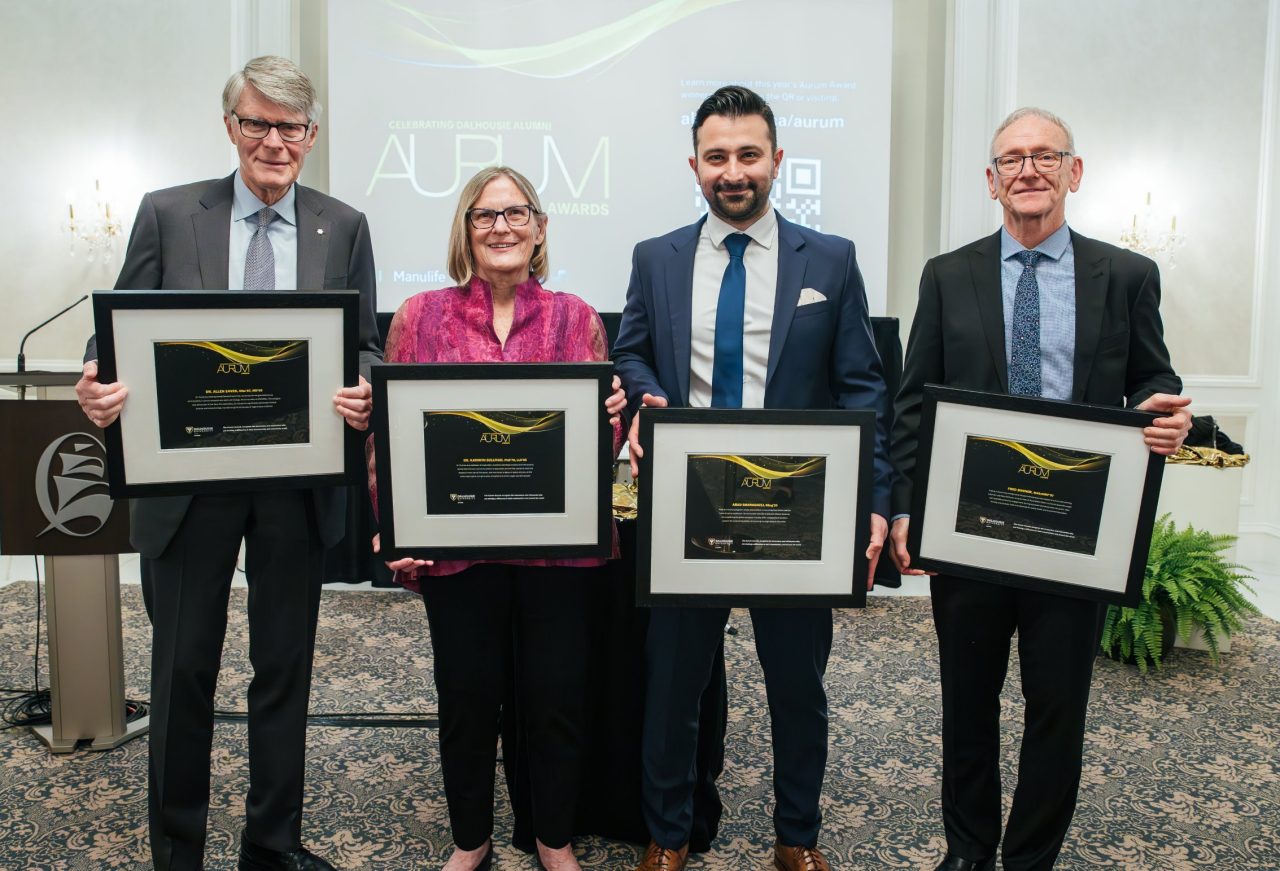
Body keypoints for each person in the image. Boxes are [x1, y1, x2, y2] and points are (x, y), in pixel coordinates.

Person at [74, 56, 380, 871]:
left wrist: (364, 387)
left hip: (295, 488)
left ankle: (271, 846)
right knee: (182, 672)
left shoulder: (344, 225)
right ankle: (178, 853)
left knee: (283, 672)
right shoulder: (170, 214)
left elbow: (366, 345)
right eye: (257, 123)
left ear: (311, 136)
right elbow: (115, 332)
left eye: (290, 128)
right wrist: (97, 377)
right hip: (187, 486)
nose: (273, 142)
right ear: (230, 126)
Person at [889, 107, 1192, 871]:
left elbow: (1152, 380)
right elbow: (913, 403)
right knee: (968, 701)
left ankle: (1030, 859)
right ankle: (968, 849)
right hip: (968, 531)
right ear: (991, 182)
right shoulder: (947, 275)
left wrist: (1163, 414)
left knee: (1057, 707)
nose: (1028, 169)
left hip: (1072, 534)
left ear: (1073, 172)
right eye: (1012, 159)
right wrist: (908, 510)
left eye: (1045, 156)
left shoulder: (1127, 276)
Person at [612, 85, 893, 871]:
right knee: (673, 684)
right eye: (716, 157)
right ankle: (667, 835)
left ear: (777, 160)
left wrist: (874, 501)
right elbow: (631, 349)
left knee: (797, 687)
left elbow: (863, 388)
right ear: (694, 166)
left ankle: (796, 835)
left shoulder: (829, 259)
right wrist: (647, 394)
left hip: (795, 509)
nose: (732, 171)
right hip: (687, 505)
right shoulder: (656, 257)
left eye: (747, 155)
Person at [369, 165, 626, 871]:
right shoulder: (421, 317)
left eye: (516, 213)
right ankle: (471, 838)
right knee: (466, 696)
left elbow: (592, 446)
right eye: (485, 215)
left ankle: (553, 837)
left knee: (556, 698)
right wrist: (394, 522)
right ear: (466, 229)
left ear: (540, 228)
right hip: (456, 547)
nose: (501, 227)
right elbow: (388, 437)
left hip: (558, 550)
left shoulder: (577, 318)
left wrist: (609, 418)